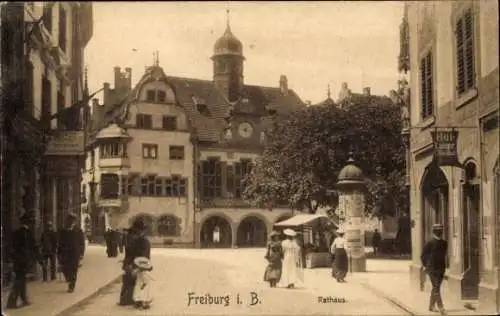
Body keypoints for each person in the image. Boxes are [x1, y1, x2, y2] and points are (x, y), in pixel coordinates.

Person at [6, 213, 39, 309]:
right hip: (24, 261)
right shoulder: (28, 234)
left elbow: (12, 247)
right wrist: (39, 259)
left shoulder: (16, 233)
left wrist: (12, 258)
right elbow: (34, 248)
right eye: (30, 222)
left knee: (21, 279)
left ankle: (24, 299)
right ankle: (11, 302)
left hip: (17, 260)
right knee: (19, 281)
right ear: (28, 223)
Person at [118, 218, 151, 306]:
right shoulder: (137, 239)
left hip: (136, 264)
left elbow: (143, 255)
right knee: (135, 282)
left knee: (134, 281)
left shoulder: (138, 239)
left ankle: (130, 300)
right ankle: (131, 300)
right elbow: (134, 253)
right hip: (134, 264)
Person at [421, 224, 448, 314]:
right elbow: (423, 255)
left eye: (441, 231)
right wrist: (426, 265)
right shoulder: (429, 243)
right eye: (438, 231)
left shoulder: (444, 243)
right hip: (431, 269)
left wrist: (445, 268)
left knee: (436, 287)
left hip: (441, 269)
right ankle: (441, 307)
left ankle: (431, 306)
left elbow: (444, 256)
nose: (440, 233)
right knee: (436, 287)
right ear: (434, 232)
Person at [57, 214, 85, 293]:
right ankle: (69, 279)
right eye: (69, 220)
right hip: (65, 253)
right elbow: (60, 242)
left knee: (74, 270)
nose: (70, 222)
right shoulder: (63, 231)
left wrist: (81, 253)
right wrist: (59, 253)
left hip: (75, 254)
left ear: (74, 222)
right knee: (65, 268)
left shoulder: (78, 231)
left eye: (72, 221)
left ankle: (71, 286)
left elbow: (82, 243)